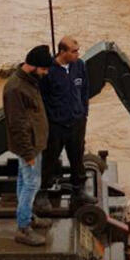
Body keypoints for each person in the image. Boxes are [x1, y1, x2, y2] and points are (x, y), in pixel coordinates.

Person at [3, 44, 54, 246]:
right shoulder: (16, 88)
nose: (46, 73)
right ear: (32, 66)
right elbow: (17, 125)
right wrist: (28, 152)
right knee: (31, 183)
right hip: (29, 146)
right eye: (44, 69)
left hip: (34, 143)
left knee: (24, 181)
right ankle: (23, 228)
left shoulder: (28, 81)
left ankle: (28, 217)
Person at [38, 36, 90, 210]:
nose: (77, 54)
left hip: (76, 122)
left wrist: (83, 114)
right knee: (50, 158)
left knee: (77, 157)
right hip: (56, 125)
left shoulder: (80, 66)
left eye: (77, 50)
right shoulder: (49, 71)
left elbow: (84, 91)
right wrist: (51, 119)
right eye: (74, 51)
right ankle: (42, 192)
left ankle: (78, 191)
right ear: (62, 52)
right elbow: (42, 97)